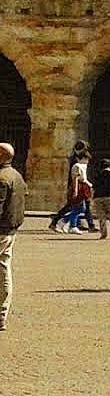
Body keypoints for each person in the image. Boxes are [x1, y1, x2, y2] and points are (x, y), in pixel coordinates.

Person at [0, 141, 26, 331]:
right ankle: (2, 314)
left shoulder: (2, 178)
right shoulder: (16, 175)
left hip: (1, 229)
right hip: (10, 229)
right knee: (3, 268)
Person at [49, 140, 92, 233]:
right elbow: (75, 177)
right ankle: (61, 221)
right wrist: (75, 189)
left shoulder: (79, 159)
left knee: (81, 207)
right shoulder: (76, 160)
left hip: (80, 186)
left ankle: (75, 223)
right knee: (74, 207)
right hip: (76, 186)